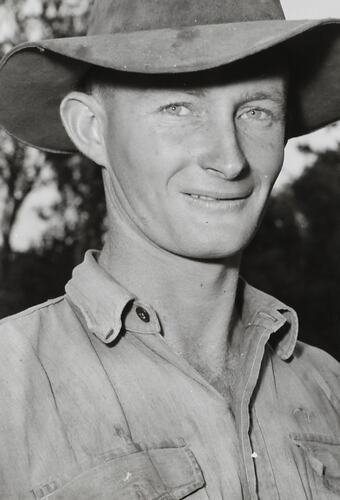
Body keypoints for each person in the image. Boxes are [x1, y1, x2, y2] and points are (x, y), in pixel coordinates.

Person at [0, 0, 339, 498]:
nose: (230, 159)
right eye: (179, 107)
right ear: (93, 129)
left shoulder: (328, 388)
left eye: (257, 111)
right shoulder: (10, 386)